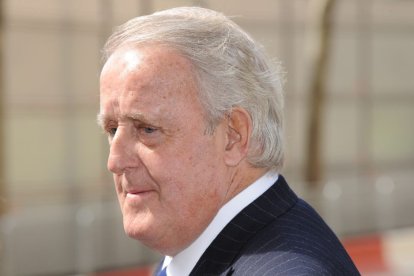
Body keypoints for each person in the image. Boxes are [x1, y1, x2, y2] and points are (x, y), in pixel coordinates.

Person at [98, 6, 359, 276]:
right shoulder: (191, 249)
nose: (115, 161)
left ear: (233, 136)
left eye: (147, 129)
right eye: (112, 129)